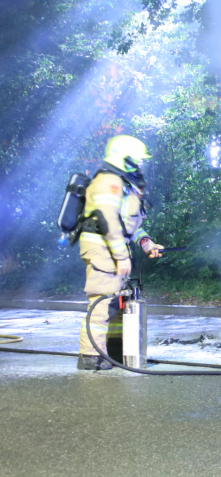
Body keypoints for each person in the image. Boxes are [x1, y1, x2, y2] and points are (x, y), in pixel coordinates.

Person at [77, 135, 163, 371]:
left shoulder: (123, 184)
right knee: (101, 302)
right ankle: (90, 356)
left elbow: (128, 224)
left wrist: (146, 242)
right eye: (135, 160)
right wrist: (121, 256)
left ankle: (112, 351)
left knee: (114, 302)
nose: (138, 165)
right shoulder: (108, 182)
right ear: (123, 157)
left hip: (111, 248)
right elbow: (108, 221)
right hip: (102, 248)